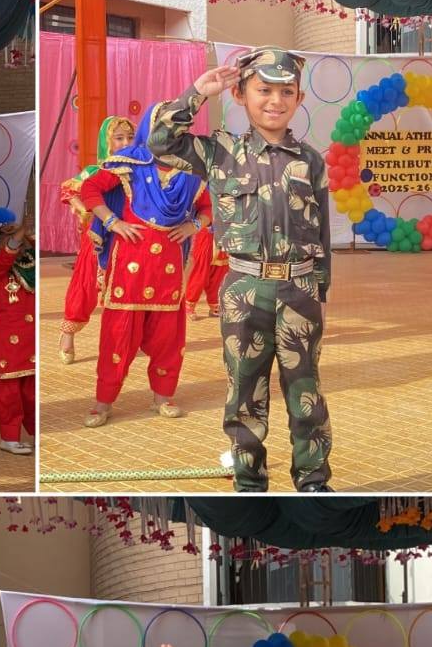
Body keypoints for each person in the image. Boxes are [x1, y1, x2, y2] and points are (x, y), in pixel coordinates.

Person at [147, 48, 334, 491]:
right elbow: (161, 143)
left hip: (299, 288)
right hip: (244, 289)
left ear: (299, 97)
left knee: (305, 391)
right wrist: (197, 92)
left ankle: (312, 479)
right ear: (240, 94)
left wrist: (319, 290)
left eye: (286, 92)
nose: (275, 100)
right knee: (244, 390)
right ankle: (249, 480)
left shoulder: (311, 160)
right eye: (263, 90)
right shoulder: (220, 152)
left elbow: (322, 232)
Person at [77, 110, 209, 427]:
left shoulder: (192, 169)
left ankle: (163, 397)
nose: (171, 135)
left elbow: (208, 207)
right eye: (165, 128)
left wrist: (193, 226)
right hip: (130, 264)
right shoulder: (130, 162)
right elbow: (90, 189)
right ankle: (103, 402)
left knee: (168, 337)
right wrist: (113, 221)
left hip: (168, 266)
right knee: (117, 336)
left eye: (178, 129)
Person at [59, 114, 135, 363]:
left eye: (130, 137)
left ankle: (125, 339)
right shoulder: (95, 171)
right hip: (98, 239)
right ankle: (67, 335)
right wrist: (85, 210)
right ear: (106, 142)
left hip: (128, 237)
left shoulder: (138, 171)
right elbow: (68, 190)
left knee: (127, 288)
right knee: (85, 287)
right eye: (119, 138)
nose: (126, 143)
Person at [0, 215, 35, 454]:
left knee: (31, 392)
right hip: (9, 340)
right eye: (8, 238)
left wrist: (29, 233)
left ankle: (36, 433)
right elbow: (8, 253)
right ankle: (9, 438)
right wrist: (20, 231)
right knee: (10, 391)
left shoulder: (31, 268)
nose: (16, 241)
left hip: (32, 339)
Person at [183, 221, 228, 318]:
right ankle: (189, 304)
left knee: (219, 274)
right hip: (206, 233)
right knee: (200, 273)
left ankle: (214, 305)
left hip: (225, 233)